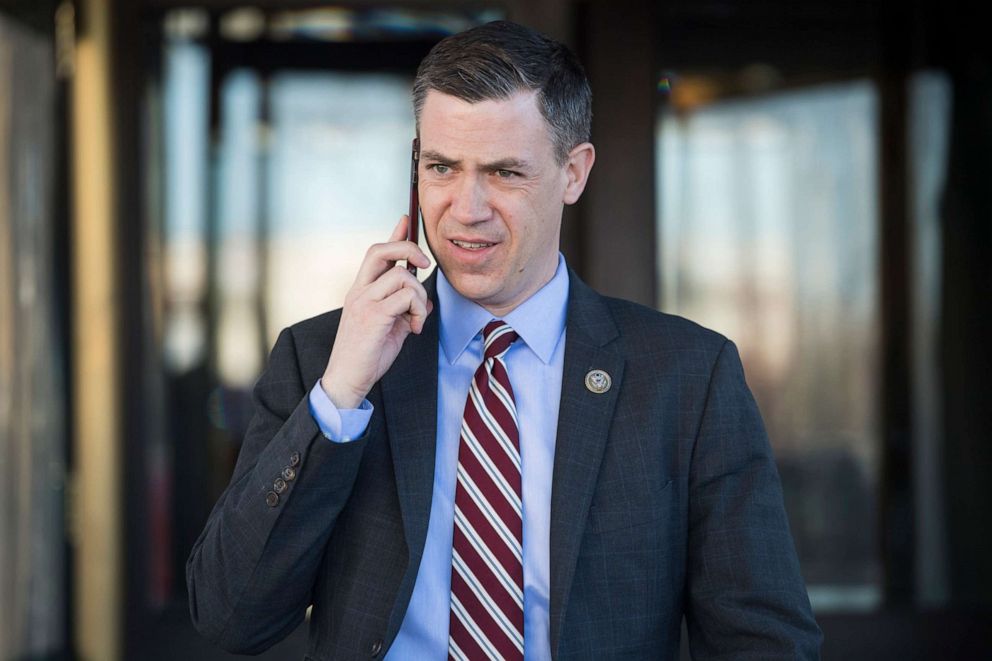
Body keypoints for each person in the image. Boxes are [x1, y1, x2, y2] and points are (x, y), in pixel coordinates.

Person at [187, 20, 822, 660]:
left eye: (504, 173)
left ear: (573, 173)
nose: (467, 208)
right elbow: (229, 617)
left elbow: (764, 640)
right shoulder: (321, 361)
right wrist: (340, 399)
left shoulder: (688, 376)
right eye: (442, 167)